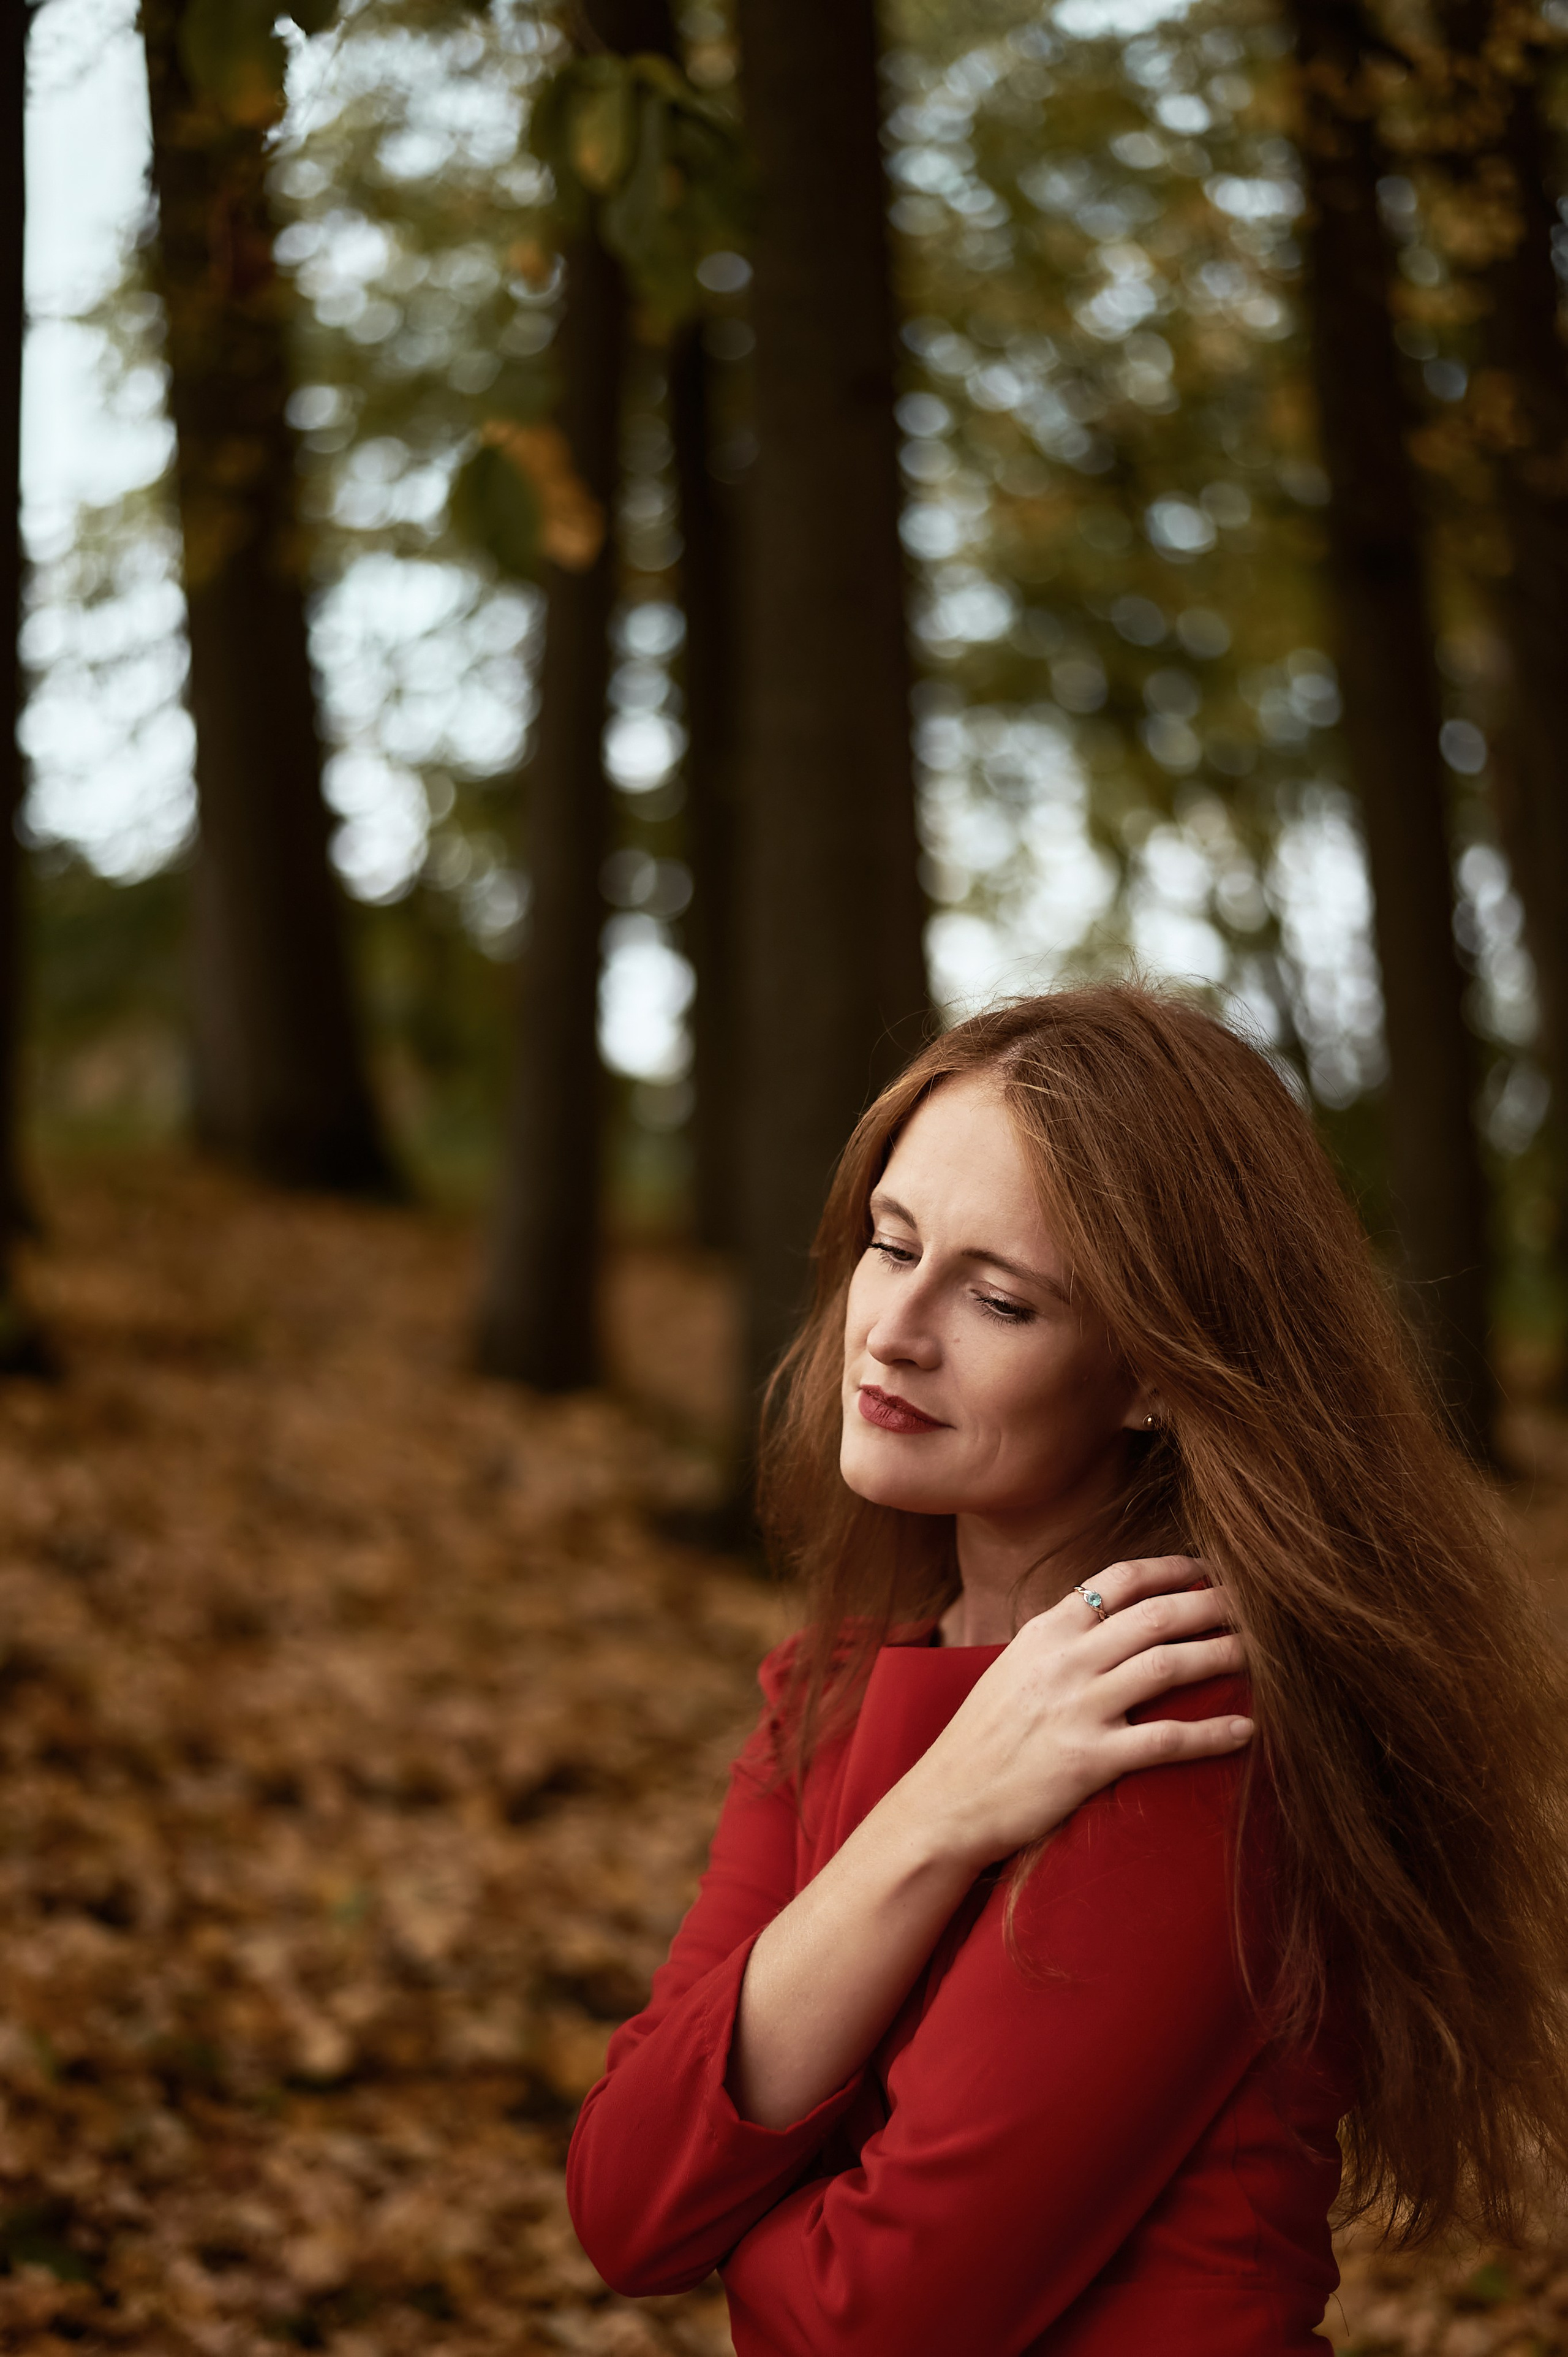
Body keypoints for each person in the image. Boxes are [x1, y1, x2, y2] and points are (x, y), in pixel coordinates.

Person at [567, 986, 1568, 2355]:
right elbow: (625, 2208)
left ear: (1153, 1374)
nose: (894, 1328)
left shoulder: (1188, 1718)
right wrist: (936, 1812)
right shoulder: (831, 1689)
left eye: (998, 1299)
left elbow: (869, 2327)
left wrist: (732, 2215)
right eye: (890, 1244)